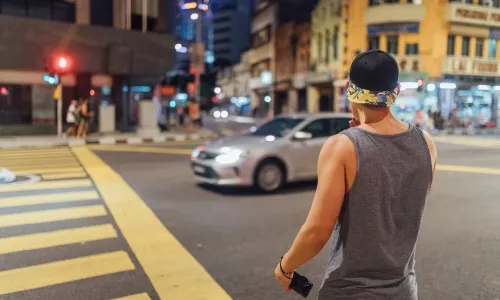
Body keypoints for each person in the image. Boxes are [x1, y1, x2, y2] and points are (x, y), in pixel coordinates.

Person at [274, 50, 438, 300]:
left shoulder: (343, 146)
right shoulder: (426, 143)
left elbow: (318, 230)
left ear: (351, 90)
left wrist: (285, 267)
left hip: (350, 291)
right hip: (404, 290)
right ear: (395, 92)